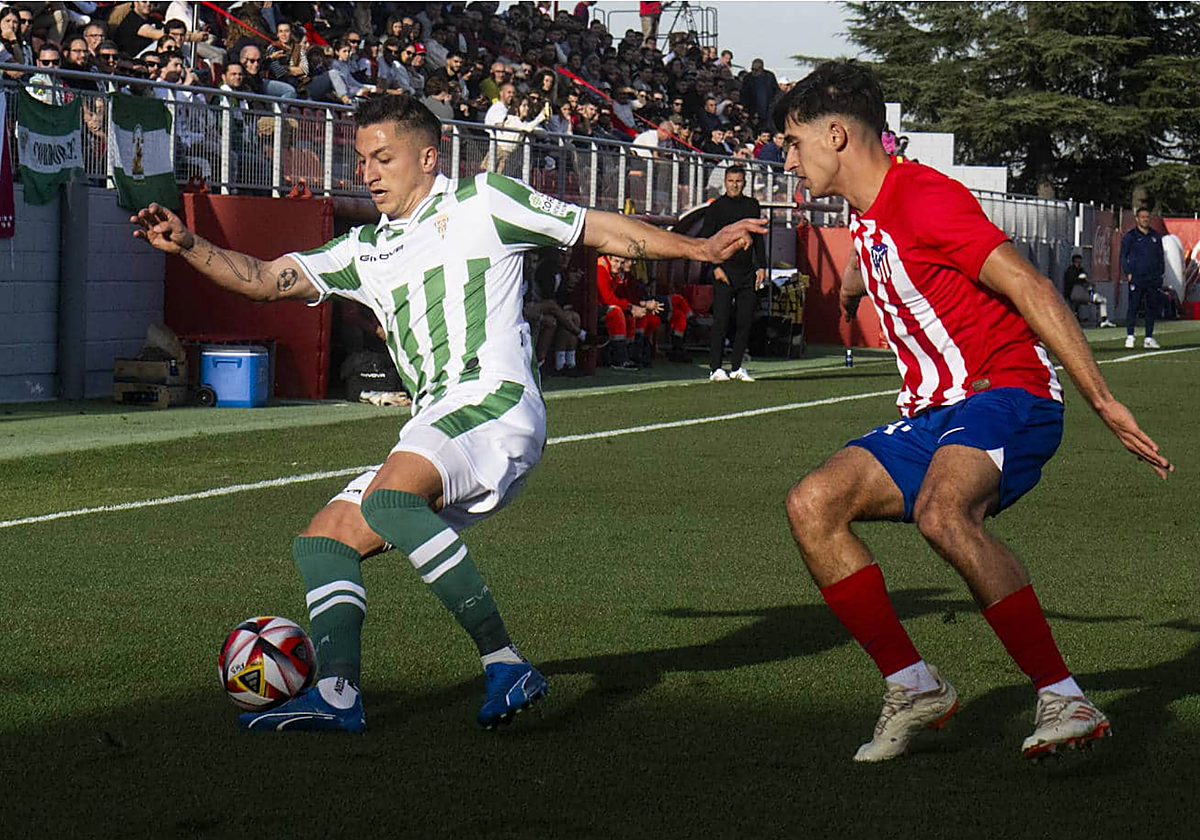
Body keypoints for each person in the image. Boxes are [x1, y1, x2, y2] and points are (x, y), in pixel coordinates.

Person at [130, 93, 764, 734]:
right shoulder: (363, 250)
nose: (368, 173)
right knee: (324, 541)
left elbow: (596, 228)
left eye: (384, 158)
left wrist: (701, 251)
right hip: (437, 420)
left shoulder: (485, 201)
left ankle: (505, 663)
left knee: (388, 501)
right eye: (362, 160)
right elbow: (265, 279)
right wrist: (188, 244)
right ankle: (338, 695)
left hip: (495, 401)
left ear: (429, 157)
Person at [776, 61, 1172, 763]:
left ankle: (1065, 697)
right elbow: (886, 257)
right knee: (812, 503)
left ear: (835, 135)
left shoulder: (924, 197)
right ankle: (913, 686)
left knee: (943, 513)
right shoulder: (867, 209)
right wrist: (852, 288)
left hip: (1008, 390)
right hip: (934, 413)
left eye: (792, 142)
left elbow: (1030, 286)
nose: (787, 159)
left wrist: (1103, 400)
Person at [702, 166, 766, 382]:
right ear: (725, 182)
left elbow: (758, 237)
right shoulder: (716, 208)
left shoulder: (752, 205)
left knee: (745, 320)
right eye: (731, 181)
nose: (734, 185)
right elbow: (706, 240)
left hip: (747, 271)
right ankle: (715, 368)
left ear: (744, 183)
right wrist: (715, 268)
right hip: (724, 271)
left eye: (738, 181)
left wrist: (762, 266)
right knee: (721, 320)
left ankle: (737, 366)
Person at [1119, 207, 1165, 350]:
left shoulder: (1155, 236)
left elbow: (1160, 256)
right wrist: (1128, 272)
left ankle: (1148, 337)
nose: (1145, 219)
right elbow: (1123, 256)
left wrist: (1161, 273)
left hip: (1153, 278)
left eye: (1147, 217)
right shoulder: (1131, 236)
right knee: (1133, 306)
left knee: (1151, 308)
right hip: (1137, 277)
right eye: (1143, 217)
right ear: (1137, 219)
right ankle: (1130, 336)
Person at [1062, 254, 1116, 328]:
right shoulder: (1071, 271)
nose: (1079, 264)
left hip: (1082, 294)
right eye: (1077, 262)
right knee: (1102, 300)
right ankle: (1104, 321)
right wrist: (1081, 279)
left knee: (1101, 299)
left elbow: (1087, 281)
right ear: (1074, 262)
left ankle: (1104, 320)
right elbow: (1073, 281)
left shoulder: (1081, 270)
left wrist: (1087, 282)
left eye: (1080, 262)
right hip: (1076, 294)